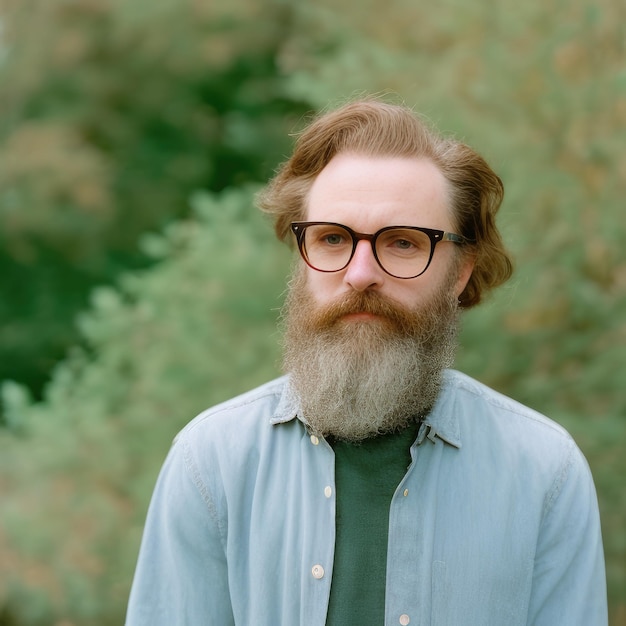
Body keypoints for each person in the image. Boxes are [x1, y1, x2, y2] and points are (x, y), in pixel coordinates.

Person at [125, 98, 607, 625]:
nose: (360, 274)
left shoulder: (544, 473)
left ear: (461, 271)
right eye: (333, 238)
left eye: (402, 243)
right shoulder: (210, 463)